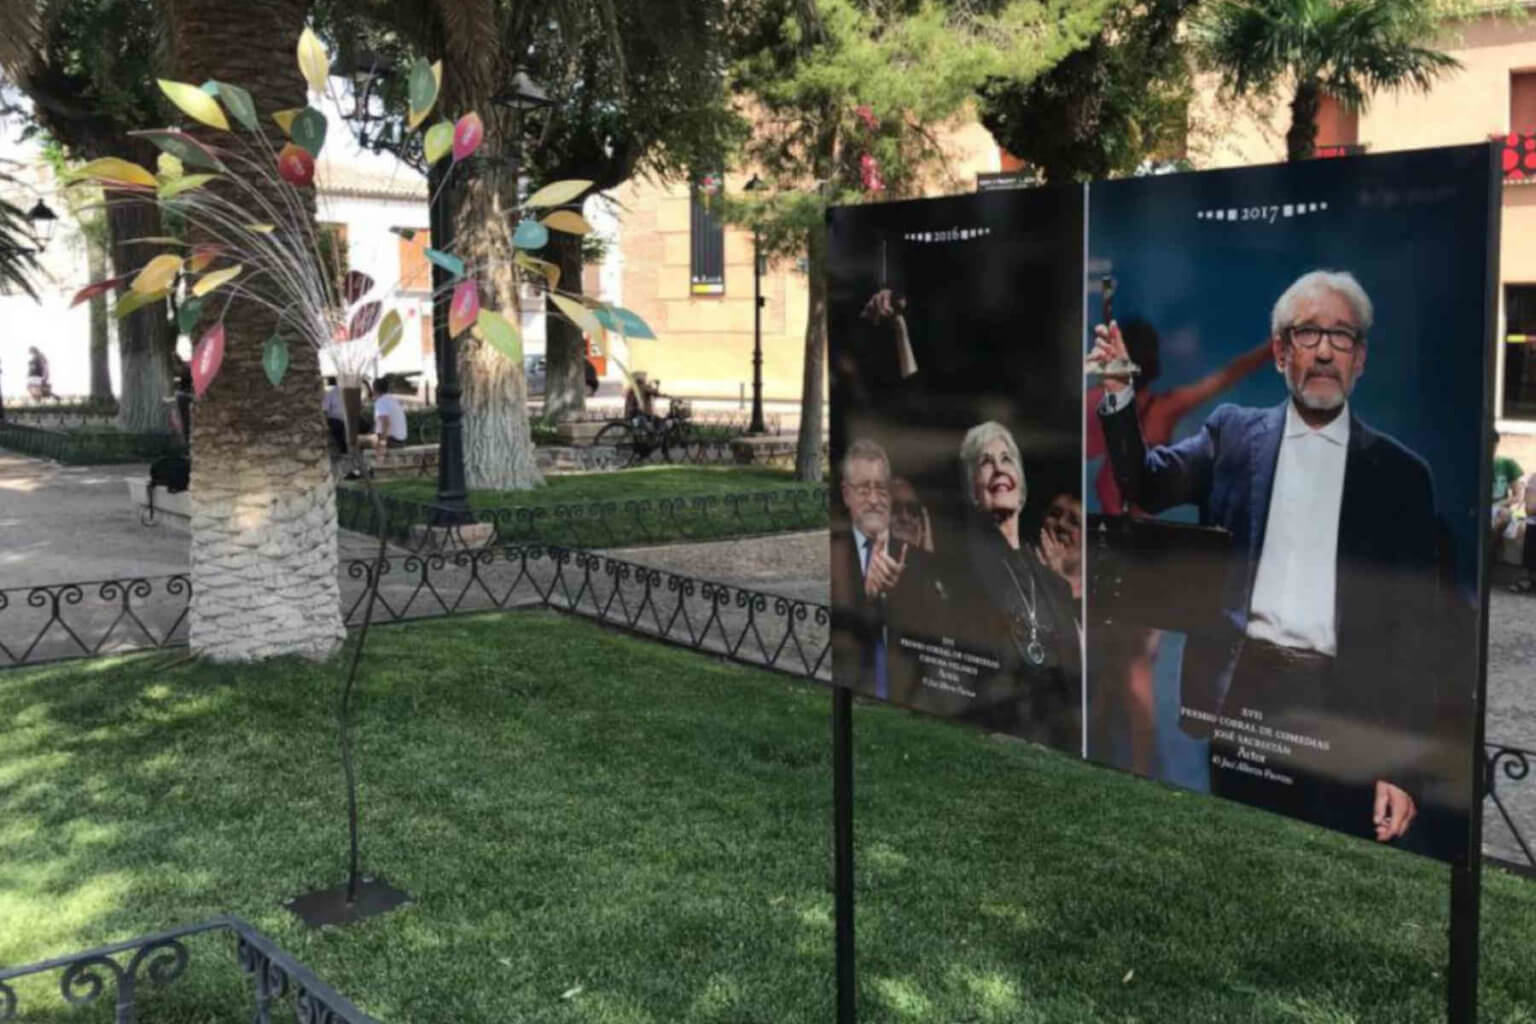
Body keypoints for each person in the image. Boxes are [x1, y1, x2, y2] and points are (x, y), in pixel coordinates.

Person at [1092, 269, 1440, 846]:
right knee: (1235, 851)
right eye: (1307, 333)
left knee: (1329, 863)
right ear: (1280, 353)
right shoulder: (1232, 434)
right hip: (1242, 693)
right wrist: (1118, 392)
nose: (1324, 350)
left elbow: (1418, 632)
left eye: (1341, 336)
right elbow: (1144, 485)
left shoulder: (1402, 477)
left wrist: (1402, 767)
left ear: (1360, 359)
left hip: (1344, 709)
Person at [933, 422, 1081, 748]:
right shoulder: (961, 567)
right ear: (972, 490)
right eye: (985, 462)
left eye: (1007, 459)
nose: (999, 468)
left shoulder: (1053, 583)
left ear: (1022, 488)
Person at [830, 440, 942, 704]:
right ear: (846, 495)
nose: (873, 500)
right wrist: (866, 595)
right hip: (853, 688)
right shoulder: (834, 552)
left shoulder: (910, 555)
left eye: (880, 489)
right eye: (863, 489)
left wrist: (929, 570)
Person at [372, 376, 407, 452]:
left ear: (374, 390)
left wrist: (382, 443)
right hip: (402, 441)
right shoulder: (393, 400)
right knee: (372, 435)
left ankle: (355, 459)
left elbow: (386, 423)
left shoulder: (380, 401)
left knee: (360, 440)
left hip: (392, 441)